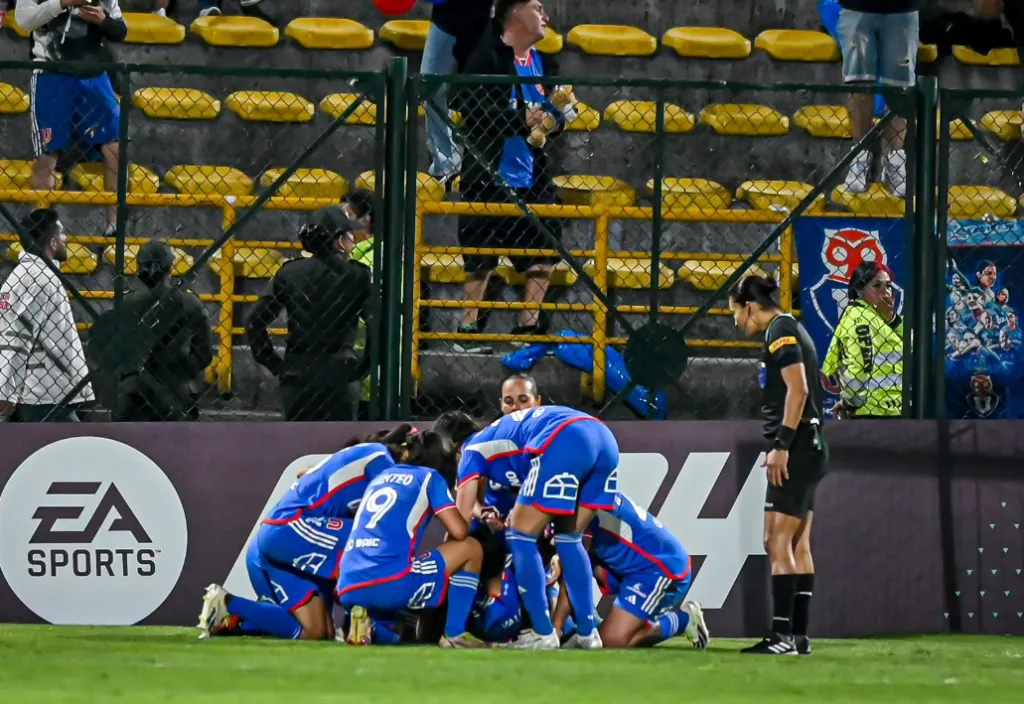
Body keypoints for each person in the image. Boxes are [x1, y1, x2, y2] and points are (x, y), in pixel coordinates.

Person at [196, 425, 424, 641]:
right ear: (405, 454)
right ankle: (373, 622)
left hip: (282, 541)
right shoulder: (381, 461)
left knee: (317, 632)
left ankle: (233, 611)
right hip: (288, 530)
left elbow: (303, 473)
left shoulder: (360, 460)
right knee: (365, 545)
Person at [453, 405, 619, 650]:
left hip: (564, 438)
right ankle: (587, 633)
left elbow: (459, 522)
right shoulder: (499, 436)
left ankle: (543, 633)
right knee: (569, 539)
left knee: (520, 535)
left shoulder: (470, 449)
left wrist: (449, 559)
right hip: (603, 438)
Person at [454, 0, 565, 352]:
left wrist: (554, 120)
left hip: (533, 176)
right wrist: (522, 120)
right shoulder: (486, 57)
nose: (545, 15)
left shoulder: (545, 63)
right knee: (479, 257)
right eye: (537, 7)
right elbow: (471, 107)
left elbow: (559, 112)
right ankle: (467, 329)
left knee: (543, 252)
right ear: (515, 13)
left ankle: (527, 328)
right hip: (489, 174)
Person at [729, 274, 827, 656]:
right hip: (812, 445)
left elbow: (798, 388)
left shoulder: (779, 330)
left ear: (749, 307)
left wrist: (781, 445)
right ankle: (798, 637)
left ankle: (781, 637)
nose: (737, 322)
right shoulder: (789, 327)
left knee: (776, 540)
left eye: (735, 313)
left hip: (797, 445)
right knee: (799, 542)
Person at [335, 434, 488, 649]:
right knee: (472, 548)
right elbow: (459, 531)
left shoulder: (380, 476)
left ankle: (369, 625)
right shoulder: (429, 477)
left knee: (395, 631)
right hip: (390, 582)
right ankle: (455, 633)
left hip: (347, 585)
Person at [246, 208, 372, 422]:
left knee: (297, 444)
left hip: (297, 373)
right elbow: (378, 326)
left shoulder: (289, 273)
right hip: (339, 372)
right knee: (338, 445)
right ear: (339, 241)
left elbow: (254, 321)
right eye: (349, 238)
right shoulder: (357, 275)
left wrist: (273, 362)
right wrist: (363, 367)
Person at [16, 0, 127, 237]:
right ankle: (42, 230)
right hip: (51, 73)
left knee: (116, 148)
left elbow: (121, 30)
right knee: (48, 153)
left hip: (95, 75)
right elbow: (24, 20)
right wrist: (63, 3)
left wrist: (103, 20)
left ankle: (114, 227)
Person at [569, 493, 709, 650]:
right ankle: (592, 622)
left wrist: (556, 627)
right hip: (631, 566)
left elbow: (573, 568)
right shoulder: (593, 492)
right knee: (578, 563)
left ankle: (683, 620)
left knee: (611, 640)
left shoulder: (585, 504)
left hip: (659, 569)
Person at [97, 241, 213, 422]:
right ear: (170, 268)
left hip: (133, 393)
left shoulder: (123, 304)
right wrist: (180, 372)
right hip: (176, 394)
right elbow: (204, 354)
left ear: (138, 269)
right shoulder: (190, 303)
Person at [0, 208, 93, 422]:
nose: (65, 239)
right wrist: (6, 389)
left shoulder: (21, 275)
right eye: (61, 234)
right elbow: (17, 335)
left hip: (39, 386)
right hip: (46, 390)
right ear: (51, 242)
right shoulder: (41, 279)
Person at [836, 0, 922, 197]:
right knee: (858, 83)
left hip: (904, 8)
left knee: (900, 87)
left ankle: (895, 161)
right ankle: (859, 157)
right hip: (855, 6)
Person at [421, 0, 495, 184]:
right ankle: (445, 164)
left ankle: (486, 163)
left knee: (487, 93)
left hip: (487, 22)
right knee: (430, 87)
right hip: (446, 22)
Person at [823, 261, 903, 419]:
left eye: (888, 286)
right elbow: (860, 365)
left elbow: (911, 347)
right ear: (859, 289)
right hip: (872, 412)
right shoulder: (859, 318)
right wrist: (851, 403)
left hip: (888, 409)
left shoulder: (878, 317)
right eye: (876, 286)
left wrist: (892, 318)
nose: (885, 293)